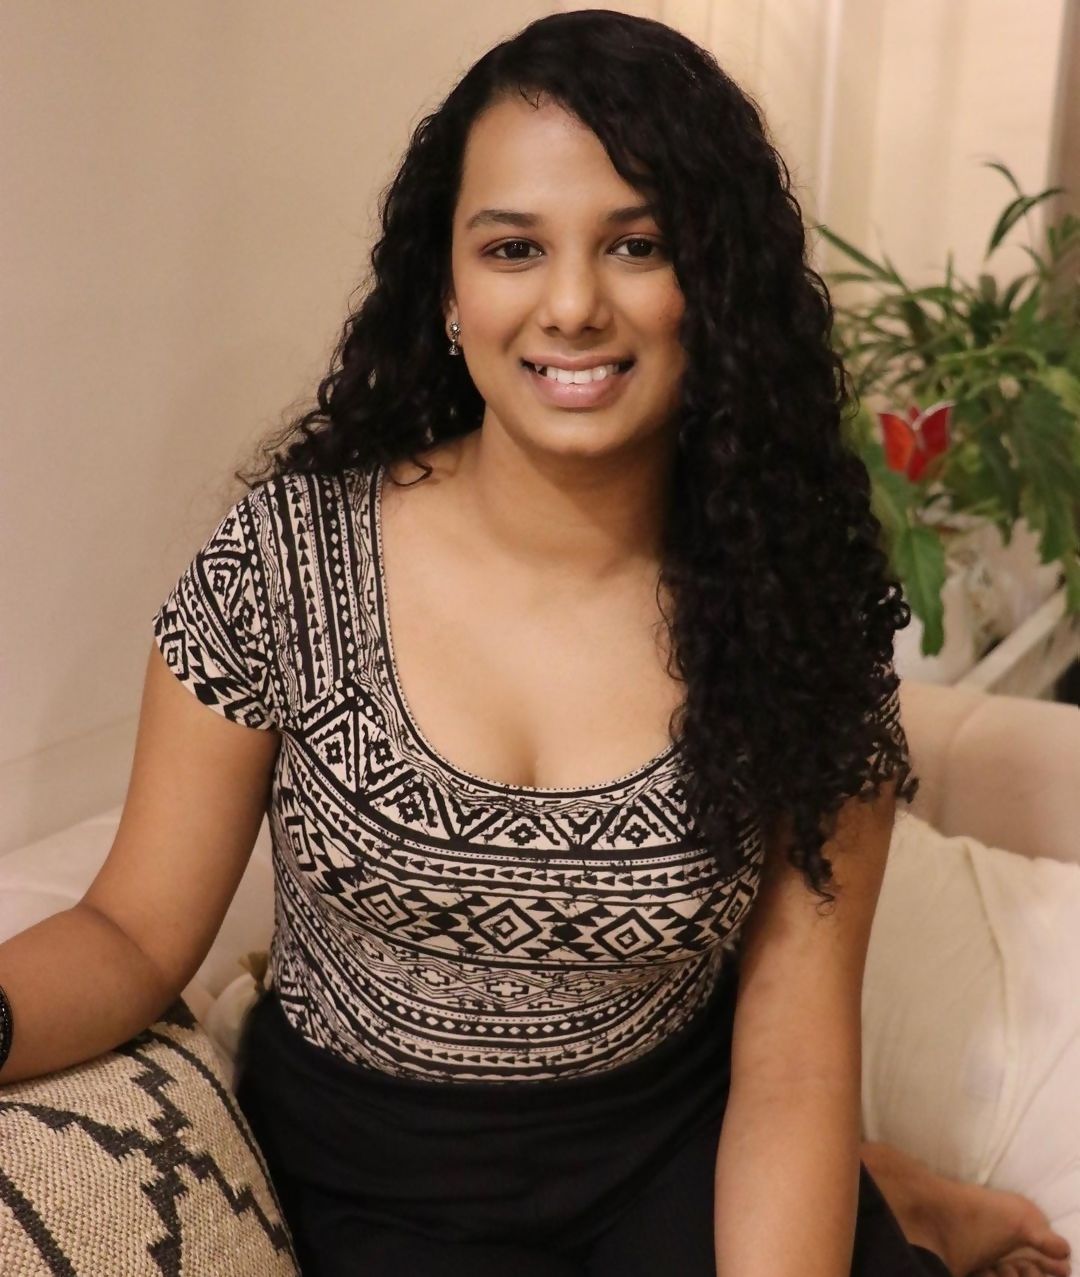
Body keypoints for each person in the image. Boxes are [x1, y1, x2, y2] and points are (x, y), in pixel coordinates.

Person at [0, 10, 1072, 1277]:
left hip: (673, 1148)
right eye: (514, 247)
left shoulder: (798, 609)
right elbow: (130, 931)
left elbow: (791, 1065)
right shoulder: (288, 561)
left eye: (638, 245)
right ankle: (904, 1197)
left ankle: (905, 1206)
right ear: (448, 290)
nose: (572, 305)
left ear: (714, 286)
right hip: (373, 1186)